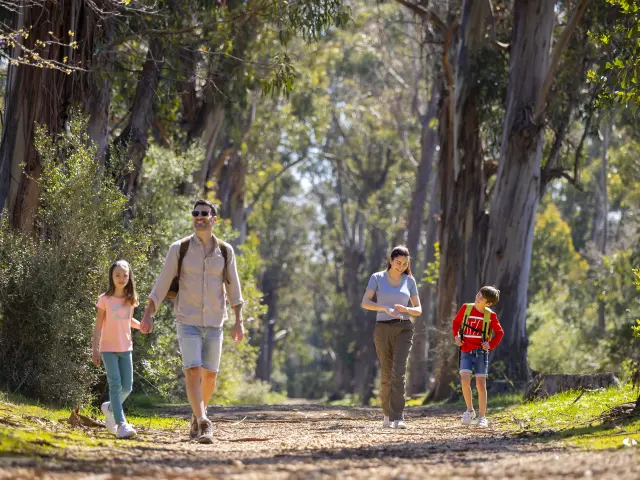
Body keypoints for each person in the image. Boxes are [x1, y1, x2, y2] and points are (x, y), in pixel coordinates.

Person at [139, 199, 244, 444]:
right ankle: (204, 421)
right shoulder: (180, 248)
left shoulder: (225, 251)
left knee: (210, 376)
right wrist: (147, 315)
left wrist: (239, 321)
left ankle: (197, 416)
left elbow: (235, 289)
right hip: (187, 319)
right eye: (195, 213)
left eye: (204, 213)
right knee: (192, 371)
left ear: (214, 218)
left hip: (215, 322)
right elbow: (162, 284)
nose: (199, 216)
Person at [361, 245, 421, 429]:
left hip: (404, 328)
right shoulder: (377, 278)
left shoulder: (409, 281)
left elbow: (418, 310)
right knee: (386, 372)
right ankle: (387, 413)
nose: (401, 266)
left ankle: (399, 416)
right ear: (391, 259)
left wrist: (407, 309)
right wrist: (383, 308)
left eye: (405, 263)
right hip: (382, 328)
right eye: (398, 262)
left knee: (399, 372)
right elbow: (365, 302)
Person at [91, 260, 141, 439]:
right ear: (111, 277)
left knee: (127, 386)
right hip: (108, 348)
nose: (121, 278)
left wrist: (141, 326)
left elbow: (127, 320)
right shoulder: (105, 299)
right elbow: (98, 326)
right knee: (115, 384)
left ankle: (110, 408)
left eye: (125, 275)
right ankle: (121, 424)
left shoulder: (131, 299)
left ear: (129, 277)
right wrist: (94, 348)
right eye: (117, 275)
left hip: (125, 347)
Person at [452, 286, 504, 428]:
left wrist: (490, 345)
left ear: (489, 304)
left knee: (480, 384)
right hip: (466, 351)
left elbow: (499, 333)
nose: (478, 297)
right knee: (464, 380)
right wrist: (456, 336)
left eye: (482, 298)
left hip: (481, 353)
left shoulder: (490, 316)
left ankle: (482, 417)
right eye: (478, 294)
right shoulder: (466, 308)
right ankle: (469, 410)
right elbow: (456, 323)